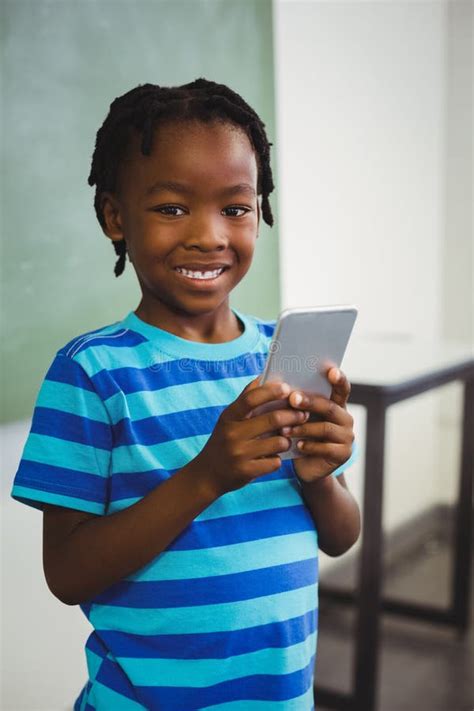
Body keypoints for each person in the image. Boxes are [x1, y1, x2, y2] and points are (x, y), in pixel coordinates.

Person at [10, 78, 361, 710]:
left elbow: (340, 537)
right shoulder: (92, 375)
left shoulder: (280, 360)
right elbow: (66, 575)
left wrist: (318, 476)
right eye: (172, 208)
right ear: (116, 216)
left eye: (236, 208)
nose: (209, 235)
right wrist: (206, 475)